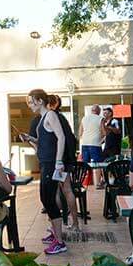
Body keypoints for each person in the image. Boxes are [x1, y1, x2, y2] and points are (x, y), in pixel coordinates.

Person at [28, 89, 68, 255]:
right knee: (46, 199)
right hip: (45, 163)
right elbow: (46, 140)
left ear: (39, 101)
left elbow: (61, 137)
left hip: (52, 164)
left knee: (49, 200)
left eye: (31, 102)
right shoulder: (43, 119)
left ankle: (60, 241)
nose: (29, 105)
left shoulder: (51, 115)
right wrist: (31, 139)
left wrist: (59, 161)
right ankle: (55, 234)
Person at [47, 95, 81, 236]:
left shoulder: (53, 117)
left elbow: (59, 139)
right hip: (65, 160)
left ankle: (59, 225)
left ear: (53, 104)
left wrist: (58, 160)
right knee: (66, 191)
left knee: (59, 192)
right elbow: (72, 138)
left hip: (58, 161)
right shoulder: (62, 118)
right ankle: (73, 223)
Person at [79, 105, 105, 188]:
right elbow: (103, 132)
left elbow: (80, 133)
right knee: (97, 164)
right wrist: (101, 139)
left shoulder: (84, 118)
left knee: (85, 164)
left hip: (85, 143)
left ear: (91, 111)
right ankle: (97, 184)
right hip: (95, 144)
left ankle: (83, 183)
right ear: (99, 111)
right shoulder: (100, 119)